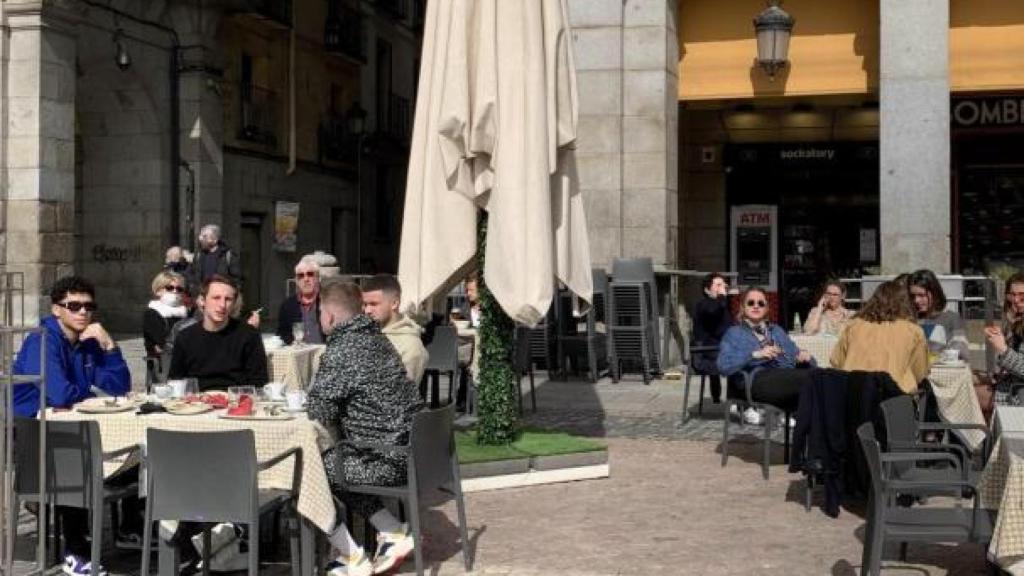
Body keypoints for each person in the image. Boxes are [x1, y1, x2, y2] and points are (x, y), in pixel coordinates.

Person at [12, 276, 132, 575]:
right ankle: (76, 550)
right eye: (74, 306)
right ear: (57, 309)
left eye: (88, 306)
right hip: (29, 432)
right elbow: (60, 393)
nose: (82, 312)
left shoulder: (88, 341)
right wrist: (90, 393)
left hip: (68, 428)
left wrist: (109, 345)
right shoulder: (42, 340)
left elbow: (120, 388)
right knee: (76, 456)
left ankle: (134, 526)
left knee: (134, 450)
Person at [307, 281, 423, 576]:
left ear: (329, 316)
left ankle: (350, 555)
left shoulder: (341, 351)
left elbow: (320, 411)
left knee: (313, 467)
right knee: (337, 461)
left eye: (320, 313)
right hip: (415, 453)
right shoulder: (378, 338)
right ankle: (391, 531)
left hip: (386, 460)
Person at [717, 286, 815, 425]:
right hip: (756, 380)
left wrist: (804, 356)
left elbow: (794, 353)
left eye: (761, 303)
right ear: (743, 308)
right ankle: (790, 413)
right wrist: (754, 355)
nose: (756, 306)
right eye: (751, 303)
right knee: (811, 378)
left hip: (783, 377)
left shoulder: (776, 331)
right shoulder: (734, 333)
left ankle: (804, 418)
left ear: (767, 308)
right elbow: (723, 366)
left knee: (822, 376)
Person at [168, 274, 268, 391]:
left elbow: (259, 382)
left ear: (234, 303)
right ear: (202, 301)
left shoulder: (249, 335)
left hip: (237, 399)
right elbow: (176, 381)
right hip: (196, 400)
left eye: (228, 299)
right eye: (216, 298)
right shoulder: (185, 337)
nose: (222, 305)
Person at [830, 280, 929, 394]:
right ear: (905, 303)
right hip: (894, 396)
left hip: (854, 393)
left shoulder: (854, 325)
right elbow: (920, 372)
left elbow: (837, 361)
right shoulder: (913, 331)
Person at [361, 274, 429, 383]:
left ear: (394, 304)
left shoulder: (410, 347)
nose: (367, 310)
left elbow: (402, 390)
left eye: (374, 304)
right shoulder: (362, 334)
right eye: (365, 304)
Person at [908, 269, 969, 359]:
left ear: (935, 293)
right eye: (913, 296)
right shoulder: (908, 318)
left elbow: (961, 350)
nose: (916, 300)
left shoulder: (951, 318)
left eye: (921, 295)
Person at [691, 272, 732, 403]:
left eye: (723, 285)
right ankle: (739, 404)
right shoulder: (703, 305)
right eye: (718, 285)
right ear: (707, 290)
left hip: (716, 351)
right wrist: (722, 297)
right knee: (741, 362)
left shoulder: (721, 306)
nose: (722, 287)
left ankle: (735, 401)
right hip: (705, 355)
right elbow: (712, 312)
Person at [985, 272, 1024, 402]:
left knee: (966, 395)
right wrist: (1007, 332)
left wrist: (1003, 349)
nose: (1016, 300)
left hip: (1018, 393)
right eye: (1012, 295)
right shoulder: (1017, 321)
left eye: (1022, 295)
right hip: (1009, 384)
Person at [276, 259, 324, 345]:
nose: (306, 279)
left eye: (310, 274)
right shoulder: (287, 306)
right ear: (296, 281)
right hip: (298, 351)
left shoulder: (327, 301)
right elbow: (281, 335)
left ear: (318, 278)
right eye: (301, 276)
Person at [143, 271, 189, 357]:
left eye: (179, 289)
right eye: (170, 288)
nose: (175, 291)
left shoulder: (186, 312)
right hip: (162, 362)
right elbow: (163, 342)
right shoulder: (152, 313)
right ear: (158, 291)